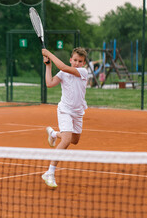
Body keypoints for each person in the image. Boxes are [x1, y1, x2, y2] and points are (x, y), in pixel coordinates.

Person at [41, 47, 88, 188]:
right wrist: (48, 66)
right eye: (74, 60)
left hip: (78, 112)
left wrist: (49, 53)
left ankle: (54, 134)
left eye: (80, 61)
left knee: (75, 140)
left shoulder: (83, 72)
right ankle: (49, 173)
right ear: (70, 60)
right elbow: (49, 83)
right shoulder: (63, 73)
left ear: (83, 63)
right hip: (65, 110)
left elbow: (62, 66)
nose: (77, 63)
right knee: (67, 140)